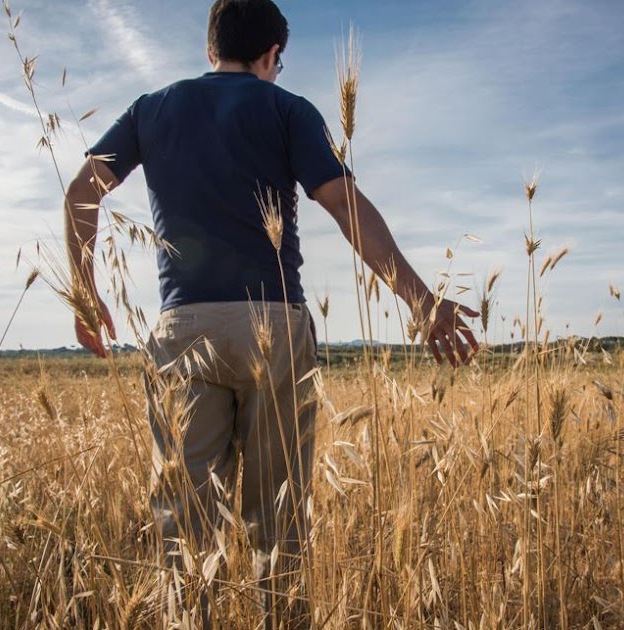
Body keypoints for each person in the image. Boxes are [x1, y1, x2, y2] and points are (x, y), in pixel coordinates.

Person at [63, 0, 479, 625]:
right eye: (277, 63)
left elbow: (80, 193)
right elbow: (344, 206)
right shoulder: (287, 109)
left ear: (212, 49)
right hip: (274, 325)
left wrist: (87, 293)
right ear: (270, 56)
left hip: (183, 331)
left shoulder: (150, 109)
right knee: (277, 527)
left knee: (186, 533)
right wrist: (423, 301)